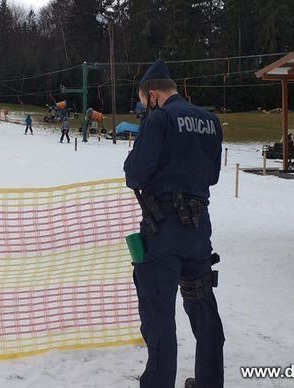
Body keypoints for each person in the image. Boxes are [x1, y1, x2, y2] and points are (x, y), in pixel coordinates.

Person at [123, 59, 225, 388]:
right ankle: (211, 381)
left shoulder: (160, 120)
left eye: (144, 103)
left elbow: (135, 174)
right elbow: (212, 175)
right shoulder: (210, 120)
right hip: (198, 230)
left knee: (159, 311)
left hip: (162, 227)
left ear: (153, 95)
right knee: (202, 305)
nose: (145, 109)